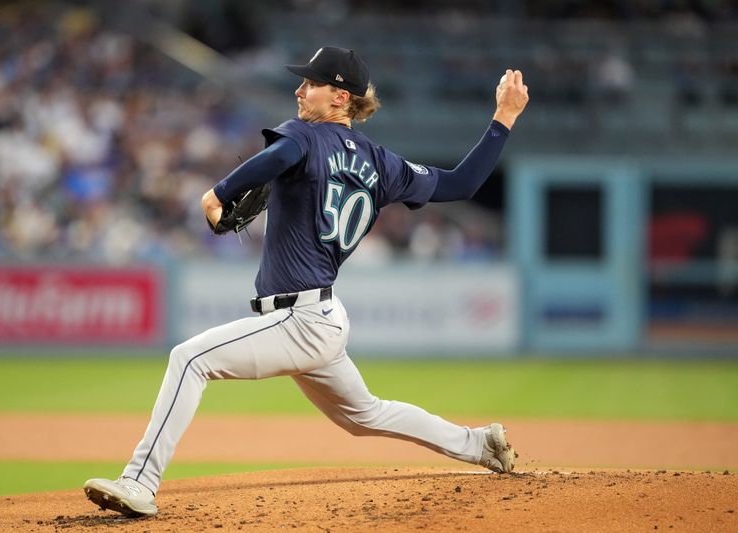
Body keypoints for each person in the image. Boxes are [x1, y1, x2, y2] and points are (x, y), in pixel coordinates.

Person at [84, 46, 529, 518]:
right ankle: (480, 444)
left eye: (310, 83)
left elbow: (280, 155)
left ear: (340, 97)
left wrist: (221, 192)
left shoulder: (308, 137)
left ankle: (139, 482)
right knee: (366, 415)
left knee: (188, 358)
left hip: (299, 318)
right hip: (323, 317)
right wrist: (503, 118)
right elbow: (460, 184)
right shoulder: (384, 164)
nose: (299, 90)